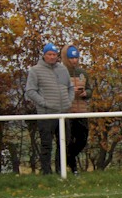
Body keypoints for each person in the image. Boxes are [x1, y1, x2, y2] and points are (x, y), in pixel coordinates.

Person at [25, 43, 75, 175]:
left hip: (63, 113)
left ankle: (61, 170)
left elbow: (70, 87)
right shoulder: (35, 70)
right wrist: (44, 103)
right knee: (46, 145)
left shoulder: (63, 70)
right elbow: (30, 91)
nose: (52, 57)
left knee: (64, 143)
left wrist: (68, 102)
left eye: (54, 54)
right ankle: (46, 172)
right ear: (44, 55)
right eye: (50, 54)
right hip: (46, 115)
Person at [61, 44, 92, 175]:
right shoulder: (60, 73)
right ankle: (72, 168)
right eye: (71, 58)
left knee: (82, 139)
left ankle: (69, 158)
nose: (74, 61)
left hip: (81, 110)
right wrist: (69, 92)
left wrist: (86, 93)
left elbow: (90, 89)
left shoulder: (82, 74)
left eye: (76, 58)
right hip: (67, 112)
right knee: (66, 140)